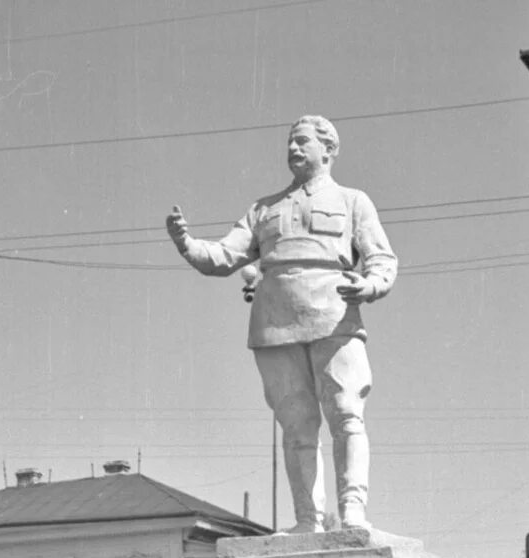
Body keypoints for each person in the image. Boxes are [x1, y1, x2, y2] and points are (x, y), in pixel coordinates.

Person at [166, 114, 397, 534]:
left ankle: (353, 511)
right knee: (296, 423)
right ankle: (308, 519)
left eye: (303, 142)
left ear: (328, 150)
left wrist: (370, 285)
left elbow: (382, 258)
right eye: (290, 143)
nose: (293, 150)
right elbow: (223, 256)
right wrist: (187, 244)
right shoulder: (263, 209)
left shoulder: (353, 200)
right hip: (275, 322)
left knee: (346, 413)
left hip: (335, 313)